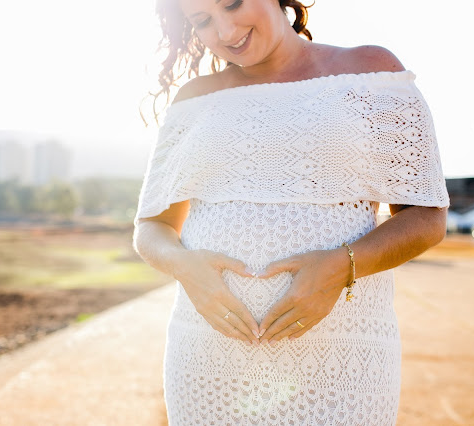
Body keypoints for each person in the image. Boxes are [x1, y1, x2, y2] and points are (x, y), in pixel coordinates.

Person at [133, 0, 450, 424]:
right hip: (208, 356)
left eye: (232, 3)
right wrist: (188, 268)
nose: (226, 32)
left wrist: (341, 266)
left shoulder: (371, 72)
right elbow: (151, 227)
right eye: (203, 21)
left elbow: (426, 217)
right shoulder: (195, 100)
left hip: (341, 358)